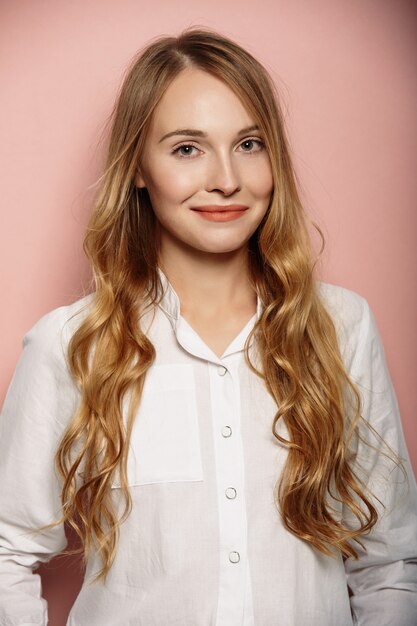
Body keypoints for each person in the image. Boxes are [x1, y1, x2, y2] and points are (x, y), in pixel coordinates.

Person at [0, 28, 416, 626]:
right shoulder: (71, 344)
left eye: (249, 144)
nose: (226, 178)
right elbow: (8, 549)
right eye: (187, 148)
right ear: (139, 168)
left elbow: (390, 564)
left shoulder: (341, 327)